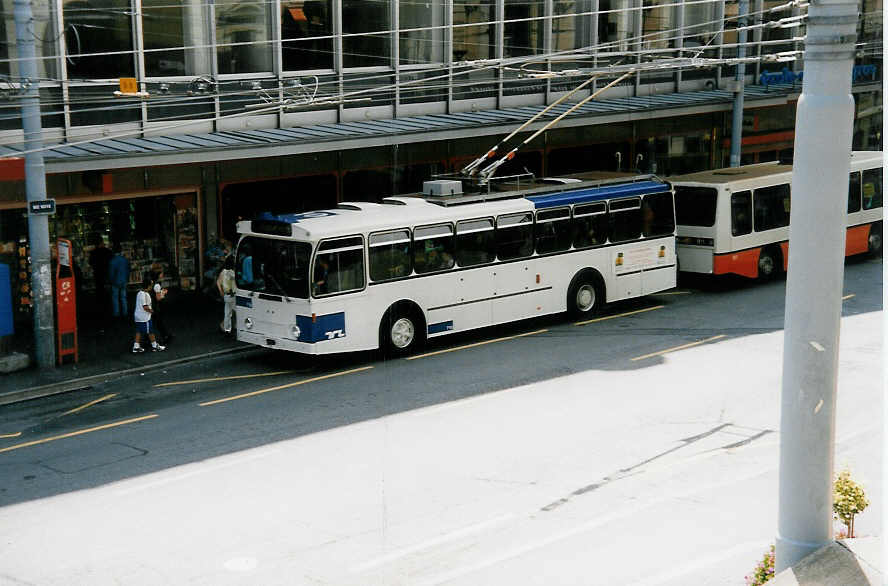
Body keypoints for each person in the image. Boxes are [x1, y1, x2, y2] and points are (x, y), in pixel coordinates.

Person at [133, 276, 165, 353]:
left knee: (139, 331)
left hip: (137, 316)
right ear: (148, 286)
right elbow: (145, 306)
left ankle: (136, 346)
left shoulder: (139, 293)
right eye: (151, 284)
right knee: (150, 331)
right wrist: (152, 311)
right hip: (144, 317)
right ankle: (155, 346)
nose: (152, 286)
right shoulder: (145, 294)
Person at [88, 235, 112, 316]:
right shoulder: (107, 251)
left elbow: (90, 262)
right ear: (102, 242)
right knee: (107, 290)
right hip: (106, 273)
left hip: (97, 273)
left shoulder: (93, 252)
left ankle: (100, 305)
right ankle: (108, 305)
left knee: (99, 289)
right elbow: (111, 261)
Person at [150, 267, 172, 344]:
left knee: (157, 322)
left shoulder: (152, 282)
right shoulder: (157, 285)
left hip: (151, 305)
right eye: (161, 273)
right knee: (158, 322)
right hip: (156, 306)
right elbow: (158, 298)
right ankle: (165, 336)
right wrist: (163, 293)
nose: (163, 274)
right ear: (158, 275)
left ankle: (166, 335)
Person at [108, 243, 130, 320]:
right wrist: (127, 279)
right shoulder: (124, 260)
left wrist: (111, 281)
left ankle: (116, 314)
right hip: (123, 281)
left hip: (115, 282)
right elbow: (127, 271)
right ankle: (125, 313)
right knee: (123, 297)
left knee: (115, 298)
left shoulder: (112, 261)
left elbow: (111, 273)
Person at [216, 255, 236, 334]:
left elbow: (218, 282)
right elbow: (233, 284)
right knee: (238, 311)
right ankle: (235, 327)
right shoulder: (231, 273)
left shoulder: (223, 272)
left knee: (227, 313)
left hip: (226, 295)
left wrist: (221, 291)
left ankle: (226, 329)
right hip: (232, 295)